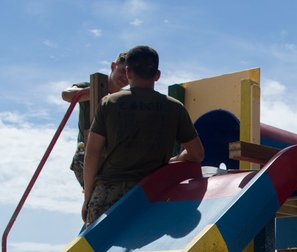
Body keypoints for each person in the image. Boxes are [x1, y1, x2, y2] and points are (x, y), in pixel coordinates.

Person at [82, 45, 205, 228]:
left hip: (108, 193)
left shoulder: (109, 103)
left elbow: (92, 152)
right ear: (157, 75)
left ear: (129, 72)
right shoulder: (174, 108)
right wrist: (176, 158)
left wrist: (88, 198)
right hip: (150, 194)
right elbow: (197, 154)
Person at [61, 52, 129, 189]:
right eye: (122, 71)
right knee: (96, 195)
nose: (124, 78)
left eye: (128, 74)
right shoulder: (90, 86)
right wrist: (97, 91)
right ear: (113, 66)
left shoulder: (126, 100)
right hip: (86, 154)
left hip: (111, 158)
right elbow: (67, 94)